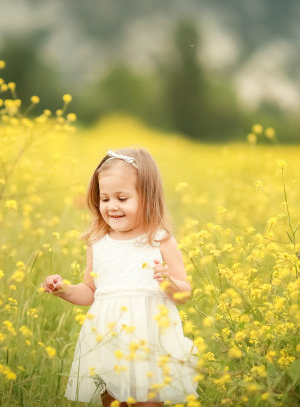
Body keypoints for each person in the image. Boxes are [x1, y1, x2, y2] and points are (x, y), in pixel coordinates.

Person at [41, 148, 198, 406]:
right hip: (108, 339)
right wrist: (63, 289)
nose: (112, 206)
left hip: (150, 340)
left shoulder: (160, 240)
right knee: (113, 401)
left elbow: (185, 293)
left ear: (147, 198)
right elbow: (91, 291)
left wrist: (168, 283)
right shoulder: (98, 242)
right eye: (105, 199)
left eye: (122, 198)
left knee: (148, 401)